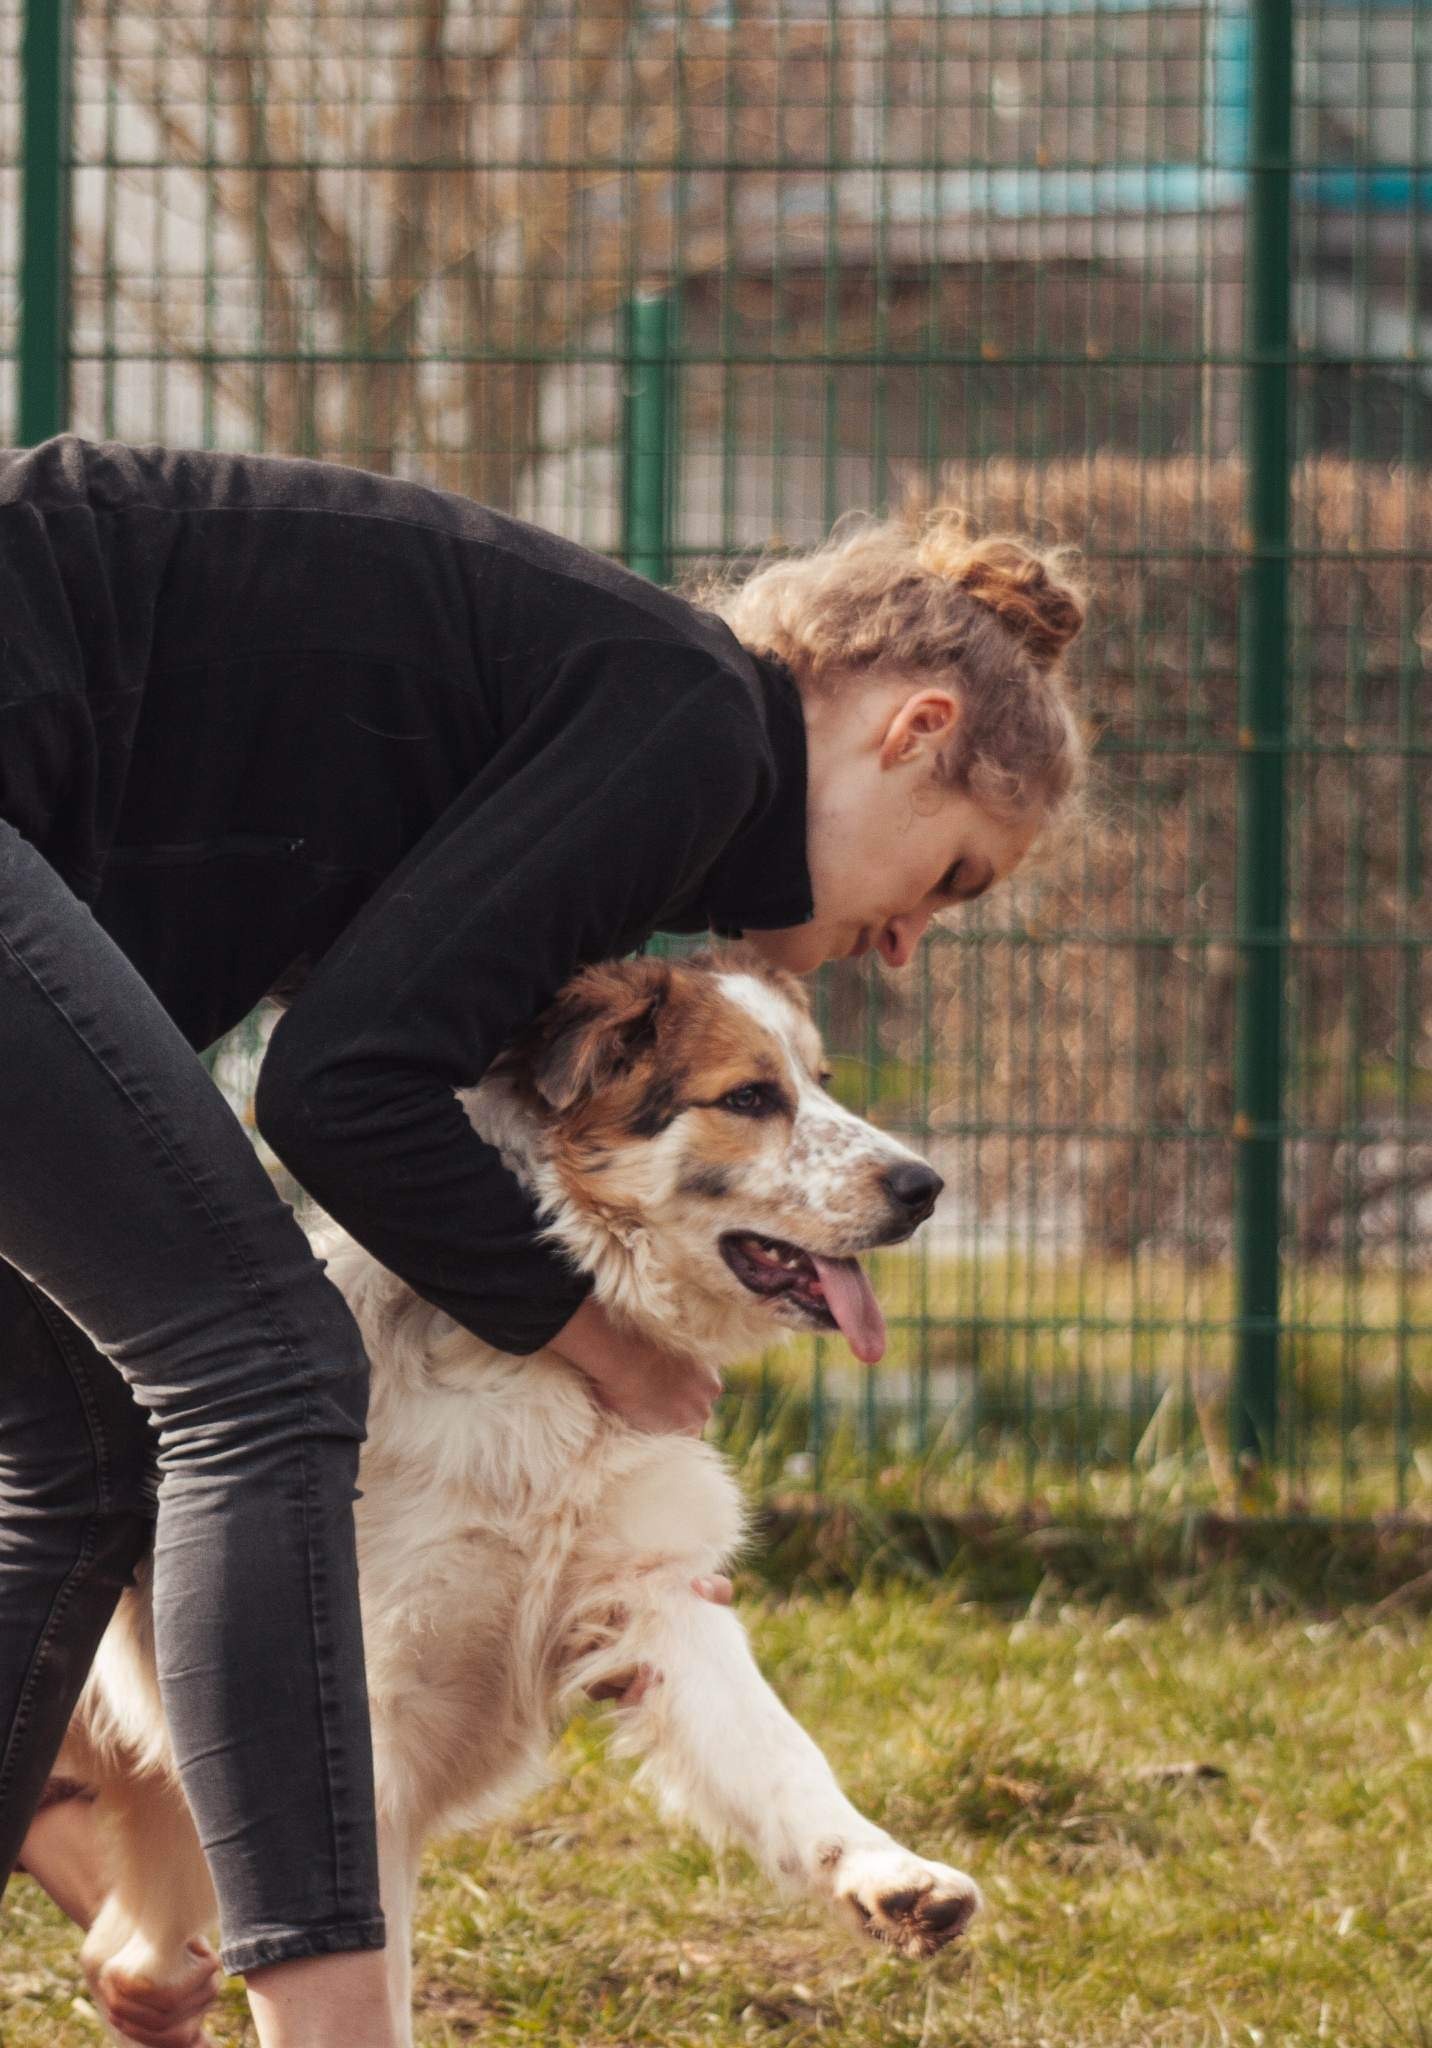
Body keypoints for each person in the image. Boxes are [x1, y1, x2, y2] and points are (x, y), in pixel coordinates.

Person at [0, 436, 1084, 2046]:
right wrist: (602, 1343)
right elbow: (341, 1085)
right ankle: (339, 2025)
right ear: (915, 732)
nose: (911, 944)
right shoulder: (695, 727)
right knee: (261, 1368)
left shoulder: (622, 731)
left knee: (94, 1451)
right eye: (948, 879)